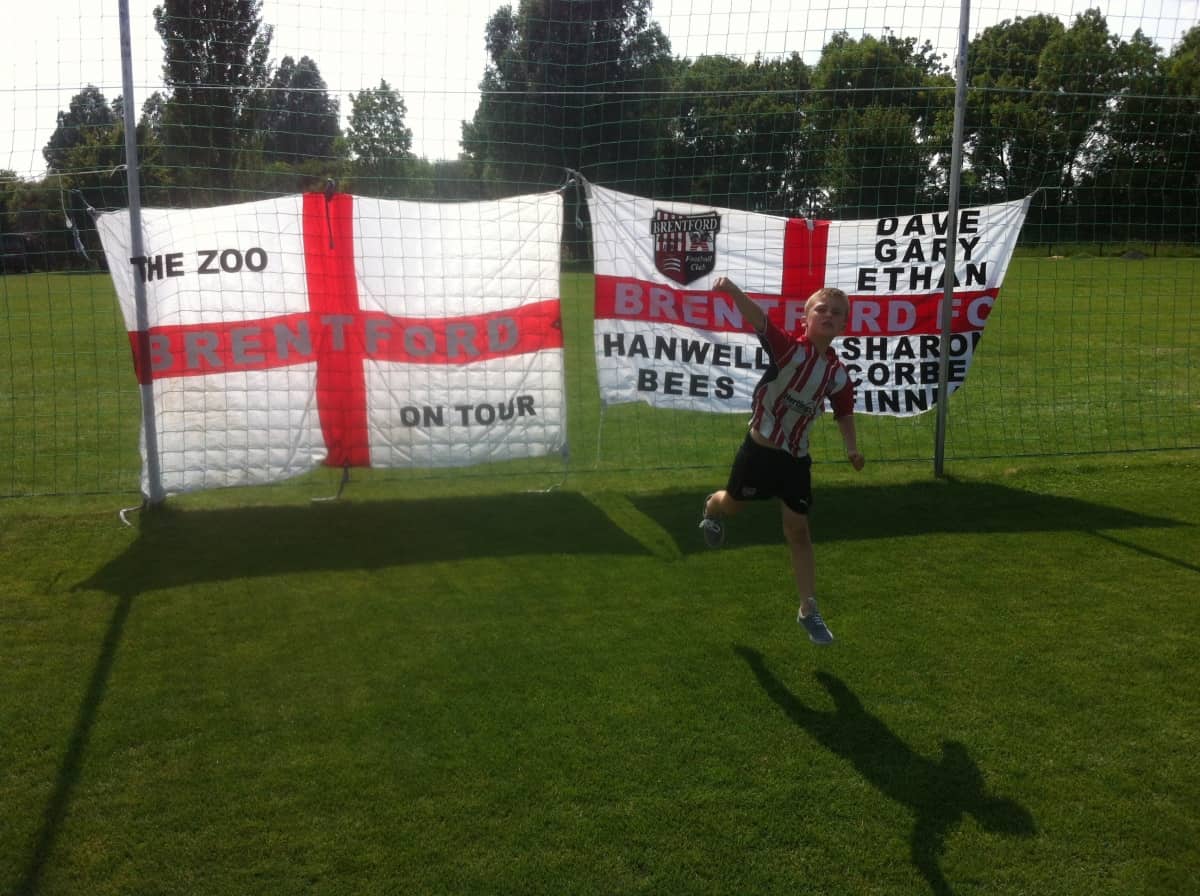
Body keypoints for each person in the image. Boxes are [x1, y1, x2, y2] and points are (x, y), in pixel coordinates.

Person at [700, 276, 865, 645]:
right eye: (821, 309)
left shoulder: (838, 374)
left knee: (799, 531)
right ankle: (712, 508)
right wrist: (732, 291)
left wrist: (852, 448)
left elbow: (844, 411)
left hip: (796, 459)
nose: (828, 315)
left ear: (843, 325)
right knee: (733, 505)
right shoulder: (789, 350)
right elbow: (761, 321)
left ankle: (808, 609)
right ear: (806, 319)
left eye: (836, 313)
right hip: (759, 452)